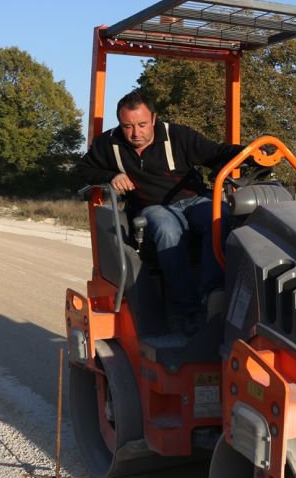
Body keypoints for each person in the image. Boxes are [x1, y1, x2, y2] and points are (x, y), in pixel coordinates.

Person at [78, 89, 245, 333]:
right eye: (128, 126)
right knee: (168, 229)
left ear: (154, 120)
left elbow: (216, 153)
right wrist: (111, 176)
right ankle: (187, 309)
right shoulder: (109, 143)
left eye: (142, 124)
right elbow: (81, 169)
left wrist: (249, 153)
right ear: (120, 123)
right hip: (151, 208)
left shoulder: (177, 136)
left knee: (218, 216)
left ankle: (213, 296)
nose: (136, 133)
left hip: (193, 200)